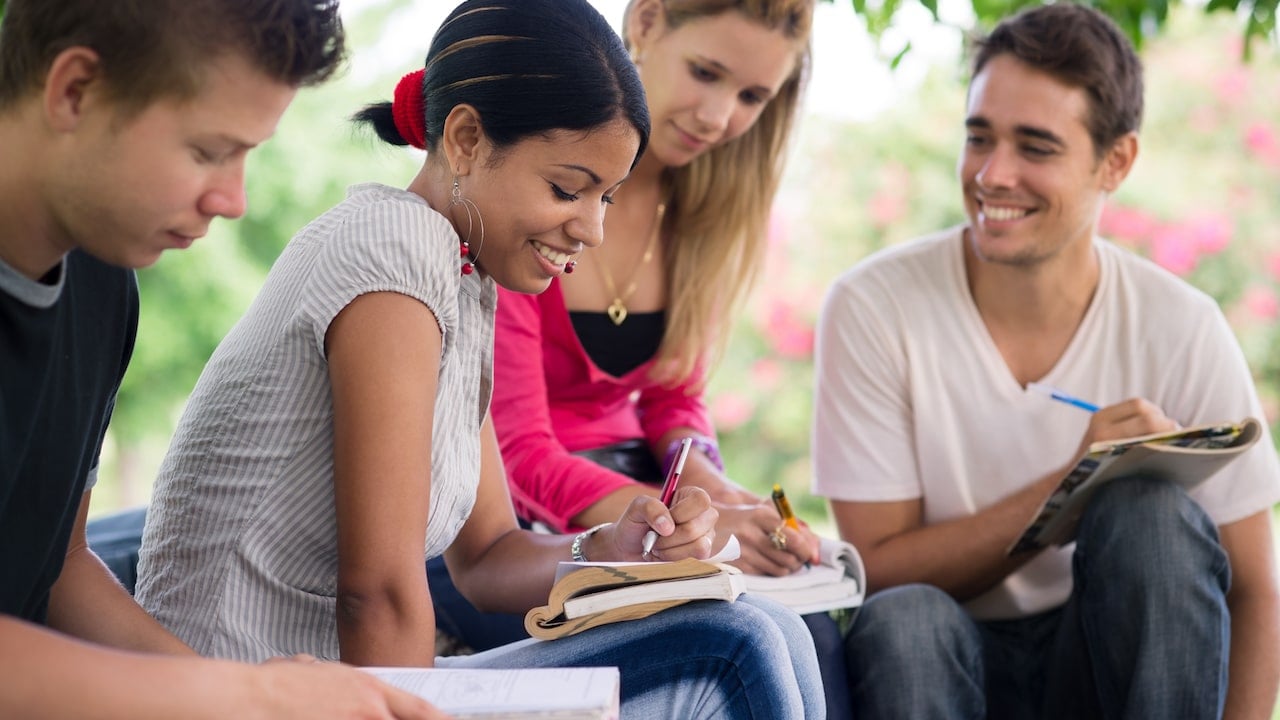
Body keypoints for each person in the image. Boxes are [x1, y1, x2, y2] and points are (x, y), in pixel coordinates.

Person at [134, 1, 825, 718]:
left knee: (768, 625)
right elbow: (378, 593)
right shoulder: (392, 254)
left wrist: (617, 549)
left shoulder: (463, 279)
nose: (591, 228)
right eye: (567, 188)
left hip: (341, 682)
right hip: (249, 686)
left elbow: (490, 554)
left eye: (608, 197)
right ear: (464, 139)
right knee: (734, 642)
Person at [811, 4, 1280, 719]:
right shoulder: (874, 305)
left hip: (1103, 661)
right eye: (979, 137)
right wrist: (1072, 484)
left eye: (1035, 147)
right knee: (905, 618)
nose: (994, 175)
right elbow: (877, 568)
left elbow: (1254, 588)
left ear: (1115, 162)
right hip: (946, 660)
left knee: (1150, 515)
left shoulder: (1181, 324)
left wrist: (1114, 486)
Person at [0, 0, 444, 717]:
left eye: (247, 155)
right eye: (209, 151)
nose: (233, 200)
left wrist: (255, 697)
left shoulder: (102, 282)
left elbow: (60, 569)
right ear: (75, 91)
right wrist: (241, 693)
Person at [429, 1, 851, 716]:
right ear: (648, 22)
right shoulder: (529, 199)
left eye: (752, 97)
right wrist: (680, 522)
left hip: (636, 493)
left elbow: (672, 399)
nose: (719, 117)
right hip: (513, 512)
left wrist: (711, 485)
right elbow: (520, 448)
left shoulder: (706, 207)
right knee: (749, 630)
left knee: (818, 625)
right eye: (707, 73)